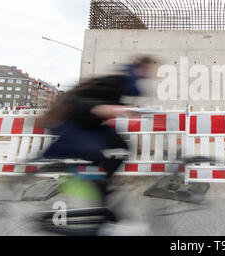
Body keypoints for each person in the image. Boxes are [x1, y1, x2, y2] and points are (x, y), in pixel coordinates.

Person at [39, 56, 157, 232]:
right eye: (147, 71)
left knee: (123, 147)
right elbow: (78, 101)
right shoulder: (116, 80)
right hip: (73, 124)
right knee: (97, 156)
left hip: (91, 125)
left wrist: (132, 111)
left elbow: (115, 102)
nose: (149, 76)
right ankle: (85, 184)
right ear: (139, 68)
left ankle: (101, 183)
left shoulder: (124, 83)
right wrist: (100, 107)